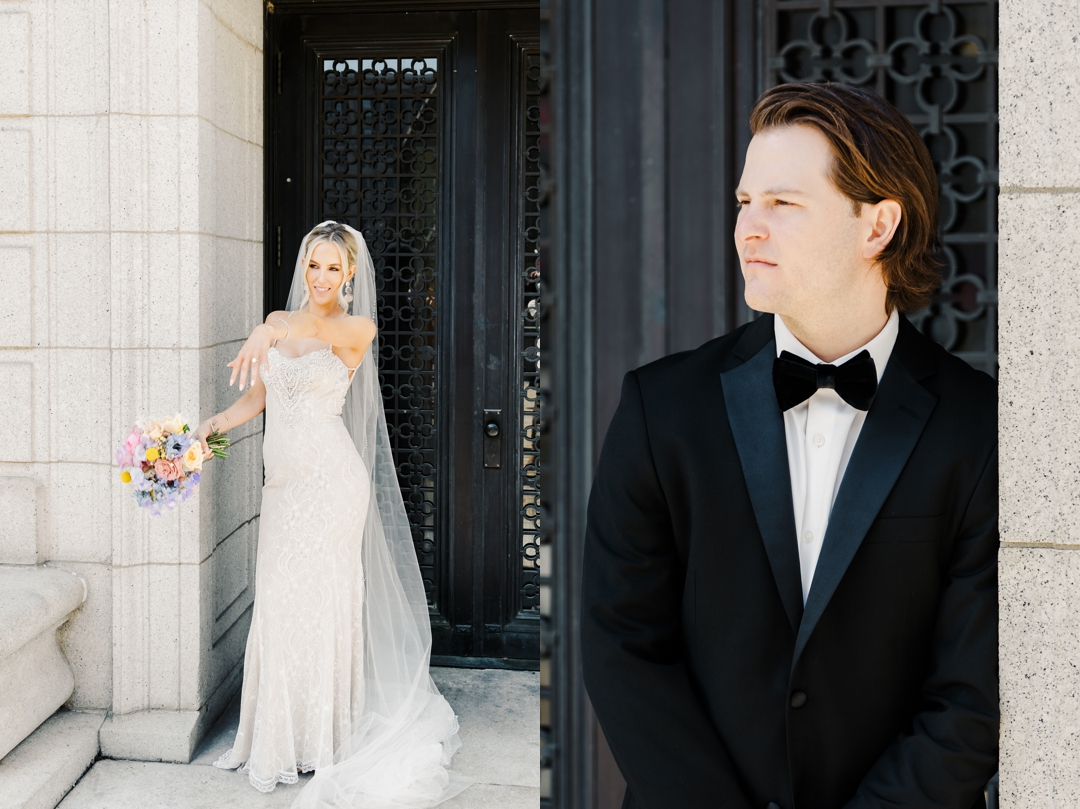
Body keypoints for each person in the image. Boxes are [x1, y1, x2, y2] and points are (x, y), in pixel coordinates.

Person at [580, 82, 998, 809]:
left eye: (782, 203)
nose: (748, 227)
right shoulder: (661, 408)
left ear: (877, 227)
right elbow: (623, 647)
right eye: (745, 202)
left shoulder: (978, 426)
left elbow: (972, 695)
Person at [196, 221, 470, 807]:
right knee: (278, 600)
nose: (320, 278)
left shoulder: (356, 329)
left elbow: (310, 334)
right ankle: (274, 736)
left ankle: (322, 740)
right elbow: (257, 397)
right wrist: (207, 431)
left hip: (331, 485)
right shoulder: (285, 322)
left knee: (322, 605)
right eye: (312, 266)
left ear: (350, 274)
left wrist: (267, 327)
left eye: (331, 268)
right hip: (285, 488)